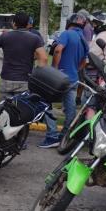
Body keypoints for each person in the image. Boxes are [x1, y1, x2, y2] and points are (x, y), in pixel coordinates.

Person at [40, 13, 89, 148]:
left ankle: (52, 136)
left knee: (45, 103)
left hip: (59, 78)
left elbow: (58, 50)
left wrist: (55, 69)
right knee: (71, 109)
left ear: (70, 22)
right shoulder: (84, 40)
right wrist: (74, 69)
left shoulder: (67, 34)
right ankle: (65, 136)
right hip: (73, 79)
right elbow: (84, 62)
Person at [0, 12, 47, 100]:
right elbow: (44, 58)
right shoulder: (35, 38)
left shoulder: (5, 36)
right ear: (27, 24)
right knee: (21, 109)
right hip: (25, 80)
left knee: (5, 109)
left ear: (14, 24)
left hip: (7, 79)